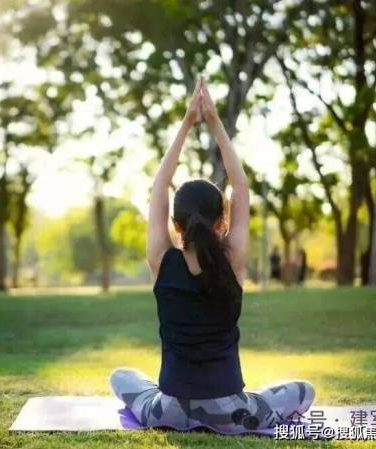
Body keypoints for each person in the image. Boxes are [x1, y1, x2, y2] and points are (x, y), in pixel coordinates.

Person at [109, 76, 314, 434]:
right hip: (231, 414)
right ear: (222, 222)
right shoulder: (232, 260)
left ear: (176, 224)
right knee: (304, 390)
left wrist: (187, 122)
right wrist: (215, 122)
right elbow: (241, 187)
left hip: (168, 411)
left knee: (121, 376)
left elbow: (159, 186)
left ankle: (178, 410)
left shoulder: (162, 259)